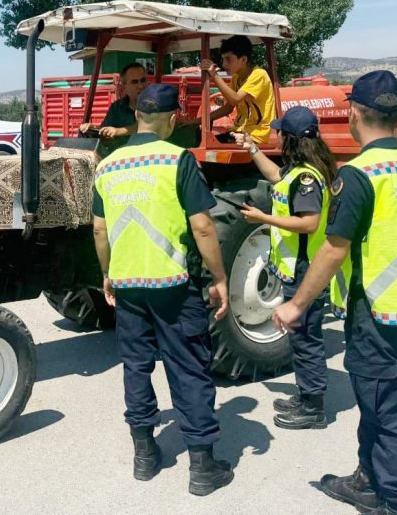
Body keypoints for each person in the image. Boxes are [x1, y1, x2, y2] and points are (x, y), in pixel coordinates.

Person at [272, 70, 397, 515]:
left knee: (389, 412)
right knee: (381, 401)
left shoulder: (362, 175)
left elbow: (332, 248)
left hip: (381, 312)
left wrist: (296, 304)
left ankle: (393, 501)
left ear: (354, 114)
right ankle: (367, 477)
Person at [92, 83, 233, 497]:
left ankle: (145, 455)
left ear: (136, 116)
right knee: (187, 366)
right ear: (172, 120)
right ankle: (203, 467)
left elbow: (100, 229)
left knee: (136, 365)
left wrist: (107, 272)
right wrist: (220, 278)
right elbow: (203, 225)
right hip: (173, 284)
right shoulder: (178, 160)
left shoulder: (109, 165)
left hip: (129, 285)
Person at [233, 106, 339, 430]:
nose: (275, 136)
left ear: (289, 138)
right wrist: (251, 148)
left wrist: (263, 218)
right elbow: (275, 177)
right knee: (299, 337)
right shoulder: (298, 171)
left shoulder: (307, 177)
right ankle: (306, 395)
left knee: (307, 338)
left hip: (307, 268)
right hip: (296, 269)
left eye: (279, 132)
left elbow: (308, 223)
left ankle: (314, 408)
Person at [199, 36, 277, 145]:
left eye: (228, 59)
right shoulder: (236, 78)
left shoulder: (259, 75)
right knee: (202, 142)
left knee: (210, 147)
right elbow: (228, 108)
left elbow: (235, 99)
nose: (224, 64)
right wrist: (198, 121)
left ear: (244, 59)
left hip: (256, 135)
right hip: (239, 132)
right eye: (223, 59)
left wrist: (214, 75)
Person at [78, 62, 152, 154]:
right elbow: (105, 137)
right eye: (134, 82)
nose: (140, 86)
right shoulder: (117, 108)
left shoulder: (156, 104)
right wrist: (93, 130)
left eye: (143, 80)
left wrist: (118, 131)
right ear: (124, 86)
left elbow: (150, 126)